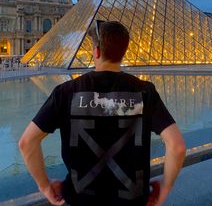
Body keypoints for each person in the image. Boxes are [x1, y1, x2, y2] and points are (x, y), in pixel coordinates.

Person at [19, 20, 186, 206]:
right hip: (133, 200)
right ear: (123, 52)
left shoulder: (66, 92)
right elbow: (177, 147)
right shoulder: (145, 91)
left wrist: (45, 186)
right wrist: (165, 186)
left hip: (81, 199)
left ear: (96, 51)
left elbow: (27, 142)